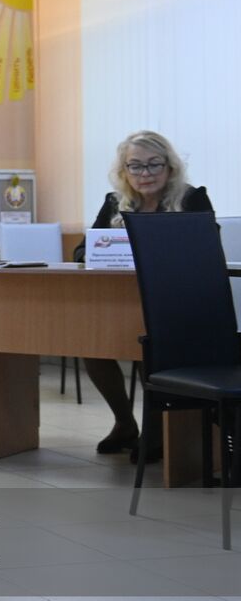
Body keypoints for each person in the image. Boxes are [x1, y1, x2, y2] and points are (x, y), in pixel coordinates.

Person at [73, 130, 212, 458]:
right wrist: (102, 253)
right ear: (124, 171)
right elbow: (82, 251)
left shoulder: (192, 199)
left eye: (154, 165)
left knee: (146, 345)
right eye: (135, 166)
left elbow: (207, 249)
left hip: (176, 308)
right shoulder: (113, 203)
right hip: (120, 304)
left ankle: (157, 431)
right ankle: (125, 423)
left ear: (170, 168)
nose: (145, 174)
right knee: (93, 347)